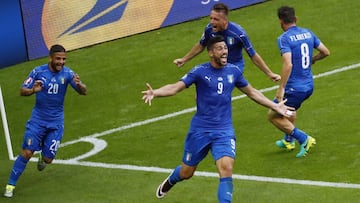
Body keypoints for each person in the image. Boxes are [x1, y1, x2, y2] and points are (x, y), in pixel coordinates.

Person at [142, 36, 294, 203]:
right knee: (187, 172)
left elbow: (252, 92)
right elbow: (175, 88)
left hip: (224, 131)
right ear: (210, 52)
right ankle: (171, 180)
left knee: (226, 168)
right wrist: (155, 92)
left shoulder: (233, 71)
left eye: (225, 48)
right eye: (220, 49)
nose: (225, 51)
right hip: (200, 131)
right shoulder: (199, 72)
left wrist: (275, 106)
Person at [3, 44, 87, 198]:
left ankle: (43, 156)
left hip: (56, 123)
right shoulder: (38, 72)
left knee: (48, 159)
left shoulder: (68, 74)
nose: (61, 62)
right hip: (37, 121)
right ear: (50, 58)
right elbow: (22, 90)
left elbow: (84, 92)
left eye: (64, 59)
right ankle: (10, 185)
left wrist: (80, 84)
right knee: (27, 152)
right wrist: (32, 91)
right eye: (58, 59)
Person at [268, 6, 330, 158]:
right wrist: (312, 60)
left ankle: (304, 139)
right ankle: (288, 141)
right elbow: (325, 52)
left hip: (294, 88)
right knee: (290, 110)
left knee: (273, 115)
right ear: (295, 19)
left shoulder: (284, 38)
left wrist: (281, 88)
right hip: (308, 86)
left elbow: (288, 64)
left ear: (281, 22)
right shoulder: (308, 33)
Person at [173, 3, 281, 82]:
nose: (212, 22)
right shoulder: (209, 29)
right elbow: (201, 45)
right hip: (216, 66)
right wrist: (184, 59)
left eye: (216, 19)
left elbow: (253, 55)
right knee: (200, 94)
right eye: (211, 18)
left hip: (234, 67)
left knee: (216, 90)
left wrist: (269, 73)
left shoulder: (238, 33)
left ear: (225, 20)